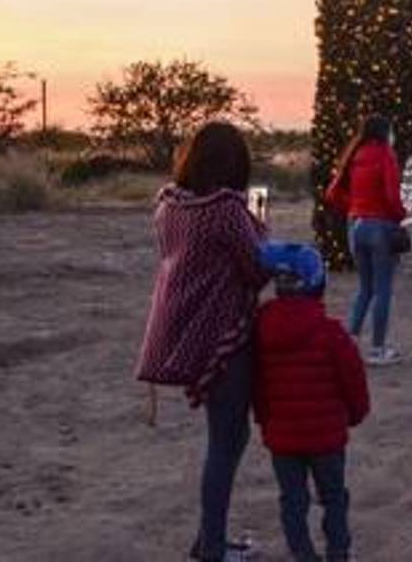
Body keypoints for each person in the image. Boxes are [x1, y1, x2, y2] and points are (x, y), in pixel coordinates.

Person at [136, 122, 269, 562]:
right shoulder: (226, 209)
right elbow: (256, 269)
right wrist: (262, 232)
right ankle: (211, 546)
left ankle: (209, 537)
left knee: (226, 437)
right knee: (227, 439)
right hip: (222, 336)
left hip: (184, 329)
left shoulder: (169, 206)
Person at [254, 242, 369, 562]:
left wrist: (265, 420)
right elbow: (353, 380)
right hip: (327, 437)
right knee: (333, 496)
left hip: (282, 437)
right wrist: (355, 414)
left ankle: (303, 554)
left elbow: (259, 386)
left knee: (292, 500)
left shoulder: (261, 330)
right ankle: (338, 552)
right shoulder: (331, 333)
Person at [325, 115, 407, 366]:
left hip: (356, 225)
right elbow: (392, 196)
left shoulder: (354, 155)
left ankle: (349, 344)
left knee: (365, 288)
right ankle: (377, 349)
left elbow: (332, 193)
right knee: (382, 290)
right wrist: (400, 215)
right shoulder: (385, 155)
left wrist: (354, 207)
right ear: (385, 133)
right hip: (380, 226)